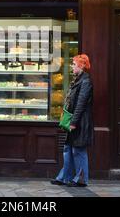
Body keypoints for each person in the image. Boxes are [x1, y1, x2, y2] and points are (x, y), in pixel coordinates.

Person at [51, 54, 94, 187]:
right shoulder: (77, 80)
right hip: (73, 120)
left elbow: (81, 104)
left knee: (78, 150)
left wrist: (73, 122)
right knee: (68, 149)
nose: (72, 66)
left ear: (81, 66)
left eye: (74, 64)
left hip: (80, 122)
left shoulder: (86, 81)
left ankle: (81, 179)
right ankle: (64, 177)